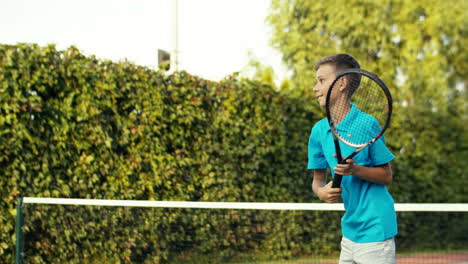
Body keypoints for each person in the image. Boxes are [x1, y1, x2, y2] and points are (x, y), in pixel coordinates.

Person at [308, 54, 397, 263]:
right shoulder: (319, 131)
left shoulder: (367, 124)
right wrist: (322, 192)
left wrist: (355, 170)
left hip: (376, 228)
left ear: (342, 83)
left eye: (321, 80)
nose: (315, 87)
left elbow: (386, 176)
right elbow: (317, 181)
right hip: (349, 230)